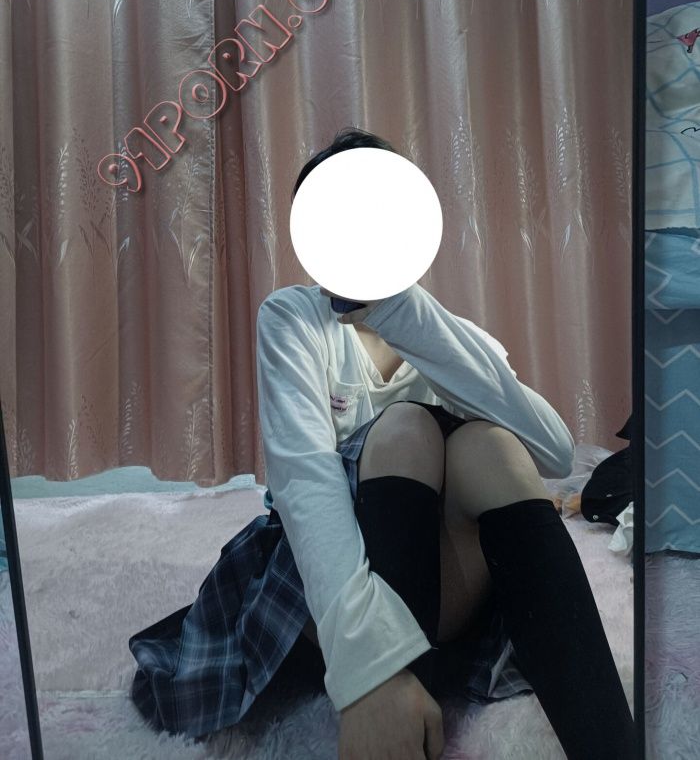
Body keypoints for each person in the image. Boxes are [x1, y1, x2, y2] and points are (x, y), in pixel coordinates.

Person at [128, 127, 636, 760]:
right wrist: (365, 670)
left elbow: (554, 453)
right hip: (329, 596)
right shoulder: (294, 318)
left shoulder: (445, 335)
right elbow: (304, 480)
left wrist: (403, 313)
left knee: (490, 447)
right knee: (405, 429)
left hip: (447, 592)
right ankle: (390, 687)